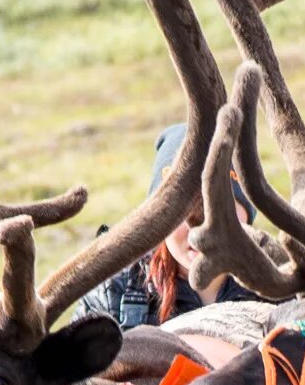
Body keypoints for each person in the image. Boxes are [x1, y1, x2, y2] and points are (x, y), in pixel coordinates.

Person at [76, 122, 263, 329]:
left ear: (247, 211)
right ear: (157, 217)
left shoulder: (288, 289)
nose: (200, 231)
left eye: (219, 206)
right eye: (183, 211)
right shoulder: (112, 294)